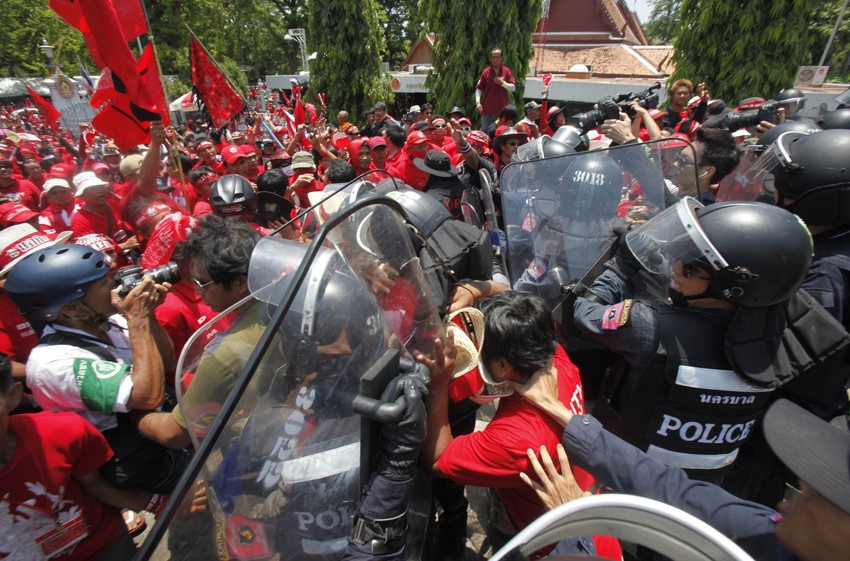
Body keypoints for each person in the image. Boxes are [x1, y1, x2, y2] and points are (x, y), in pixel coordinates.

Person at [572, 199, 815, 484]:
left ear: (731, 285)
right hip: (707, 486)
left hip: (624, 476)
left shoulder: (649, 325)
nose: (676, 266)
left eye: (690, 268)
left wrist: (619, 270)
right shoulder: (782, 336)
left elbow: (584, 312)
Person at [516, 364, 850, 561]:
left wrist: (580, 532)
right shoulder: (770, 530)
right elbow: (672, 489)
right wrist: (572, 421)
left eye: (812, 496)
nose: (789, 498)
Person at [419, 292, 618, 559]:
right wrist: (477, 289)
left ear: (503, 366)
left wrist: (439, 385)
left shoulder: (516, 438)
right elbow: (522, 306)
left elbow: (437, 459)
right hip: (595, 518)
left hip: (559, 548)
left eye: (481, 350)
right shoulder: (552, 355)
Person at [4, 243, 183, 493]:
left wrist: (148, 315)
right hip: (144, 464)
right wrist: (139, 320)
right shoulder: (53, 363)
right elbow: (145, 396)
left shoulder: (113, 321)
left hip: (165, 432)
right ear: (72, 308)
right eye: (103, 283)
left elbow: (166, 362)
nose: (114, 285)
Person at [0, 353, 165, 561]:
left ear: (12, 396)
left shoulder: (62, 431)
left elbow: (95, 485)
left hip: (105, 548)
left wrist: (158, 503)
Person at [136, 216, 261, 449]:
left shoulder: (223, 355)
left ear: (240, 282)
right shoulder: (170, 308)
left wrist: (134, 416)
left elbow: (174, 433)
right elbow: (172, 366)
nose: (197, 289)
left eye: (202, 283)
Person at [475, 49, 516, 133]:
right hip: (487, 109)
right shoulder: (486, 72)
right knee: (484, 131)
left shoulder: (506, 71)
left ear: (501, 58)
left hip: (503, 111)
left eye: (497, 57)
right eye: (493, 57)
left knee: (505, 132)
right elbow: (479, 88)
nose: (495, 59)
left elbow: (513, 88)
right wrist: (478, 102)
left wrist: (503, 83)